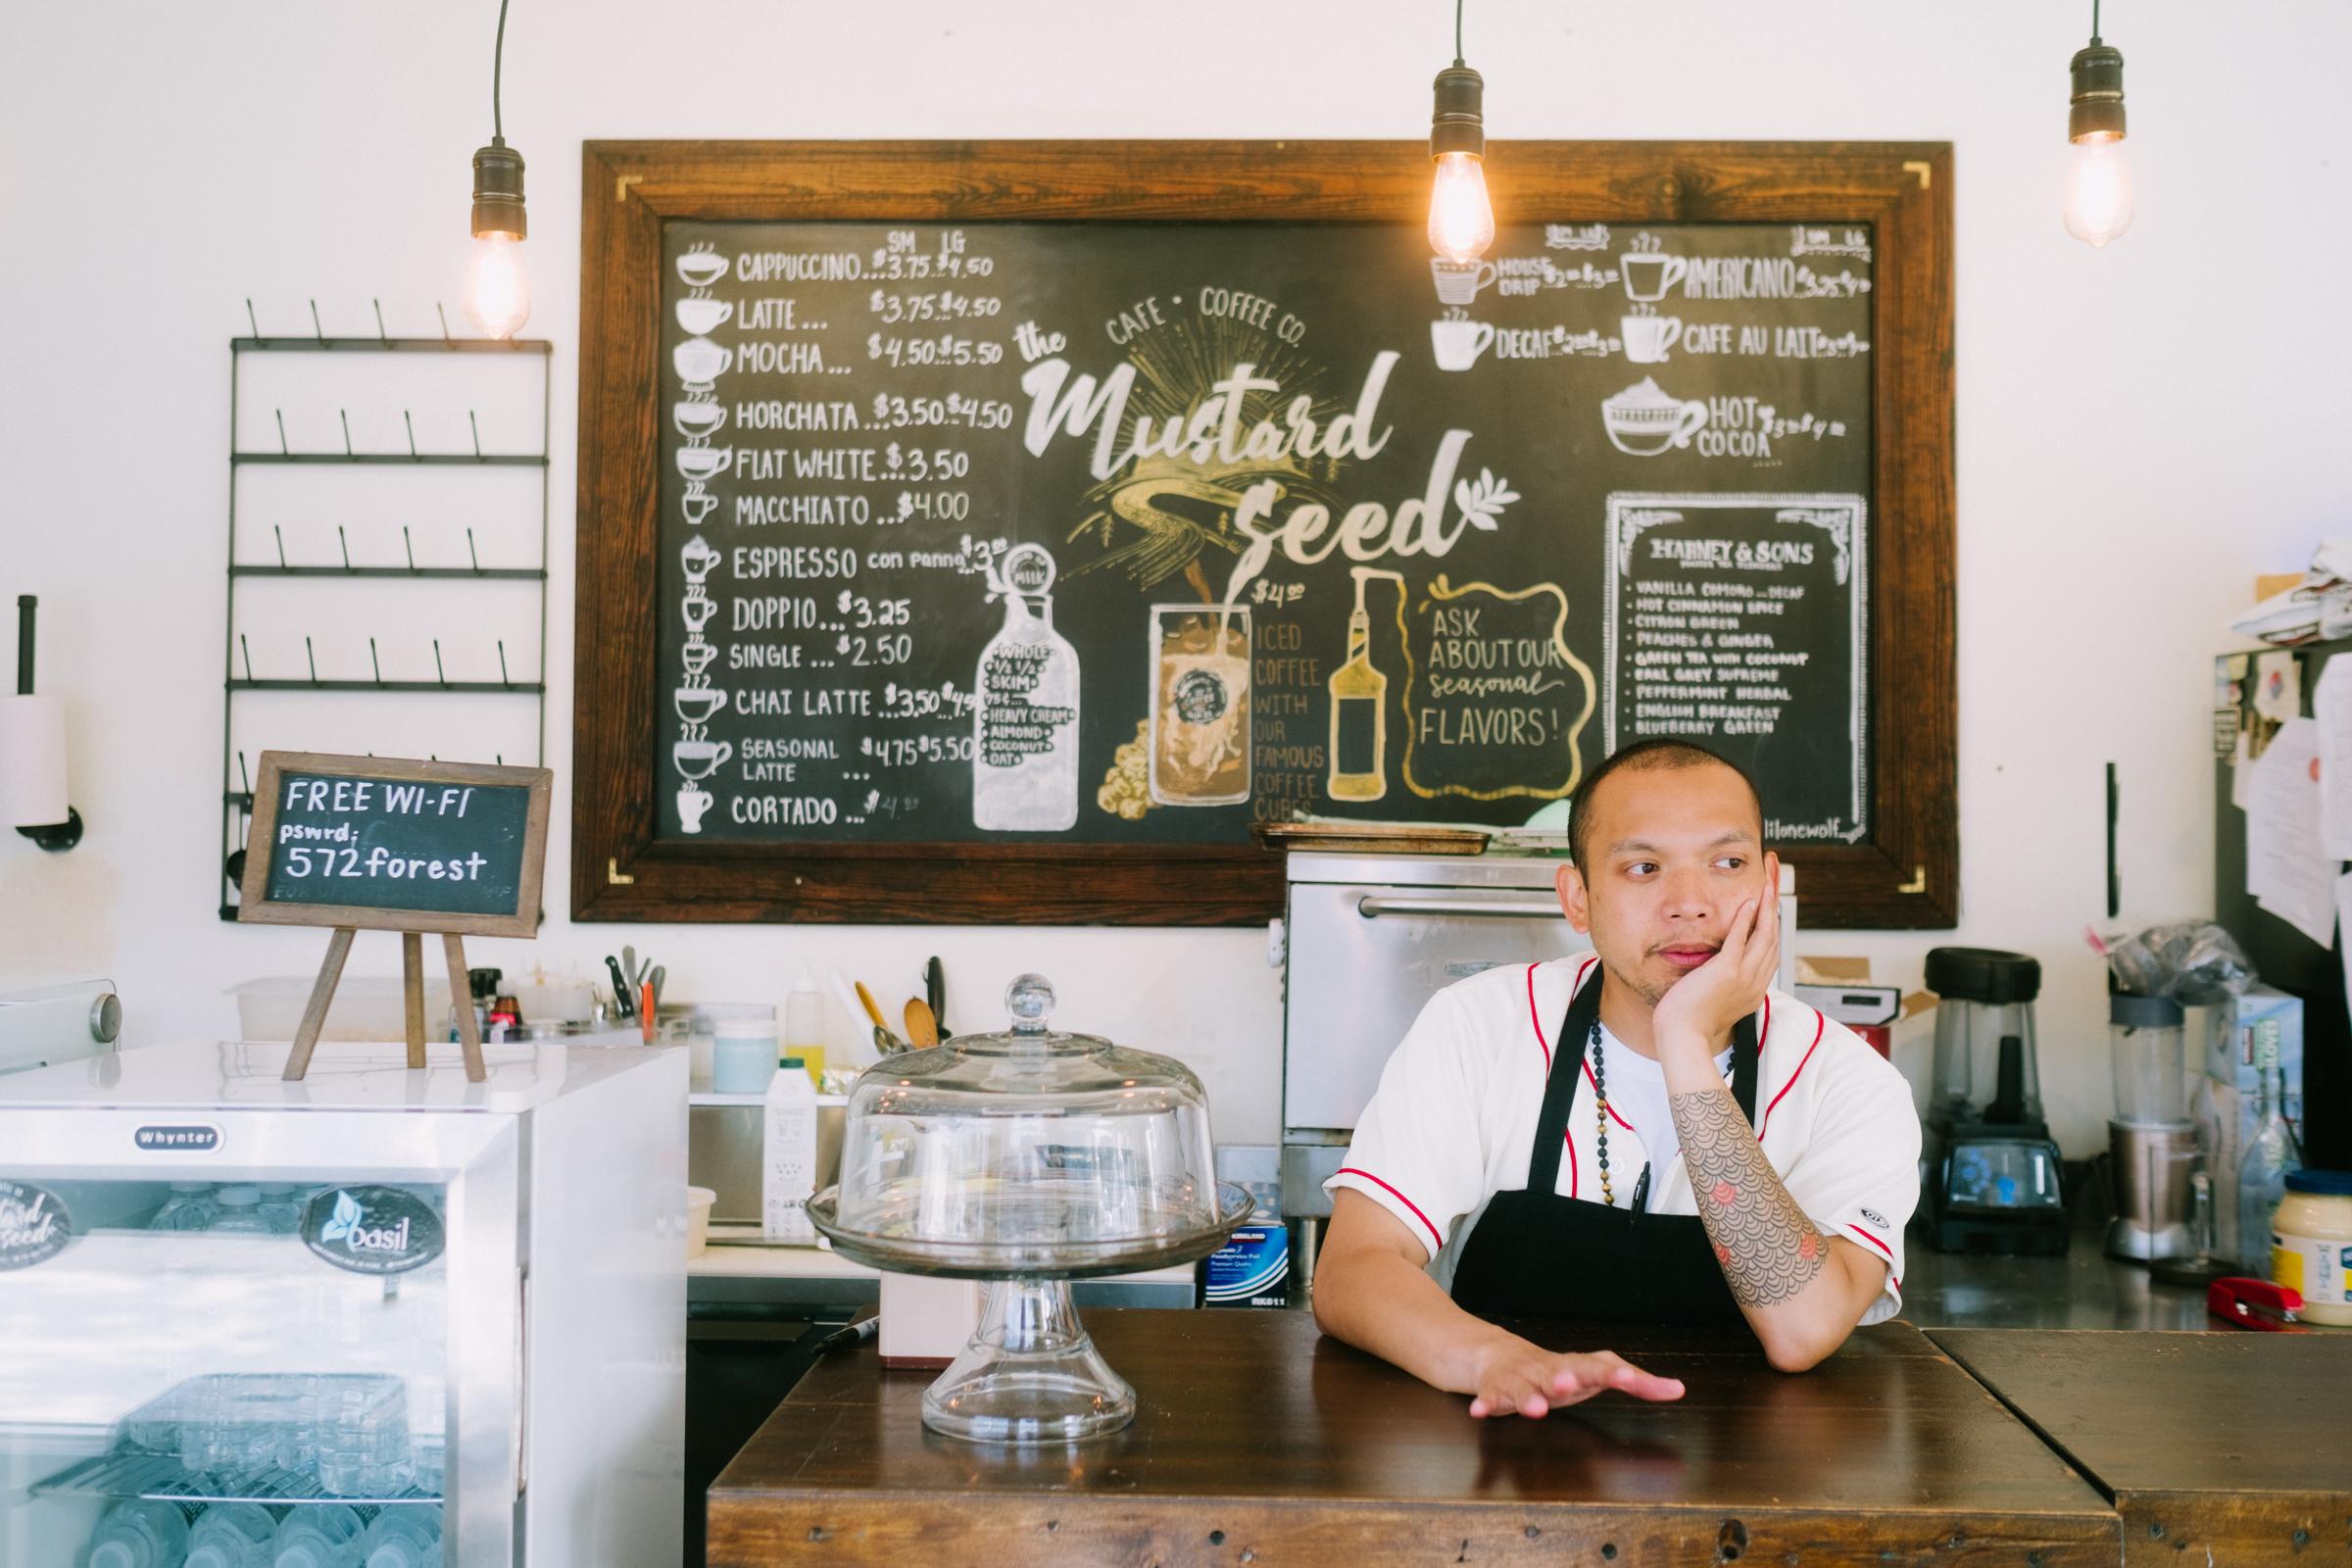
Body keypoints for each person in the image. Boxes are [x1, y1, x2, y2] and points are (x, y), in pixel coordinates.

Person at [1311, 739, 1920, 1417]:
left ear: (1769, 884)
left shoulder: (1850, 1082)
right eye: (1643, 867)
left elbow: (1803, 1330)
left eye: (1728, 863)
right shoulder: (1480, 1025)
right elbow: (1351, 1271)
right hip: (1508, 1453)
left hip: (1751, 1495)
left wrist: (1685, 1044)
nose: (1690, 904)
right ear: (1578, 898)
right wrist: (1492, 1358)